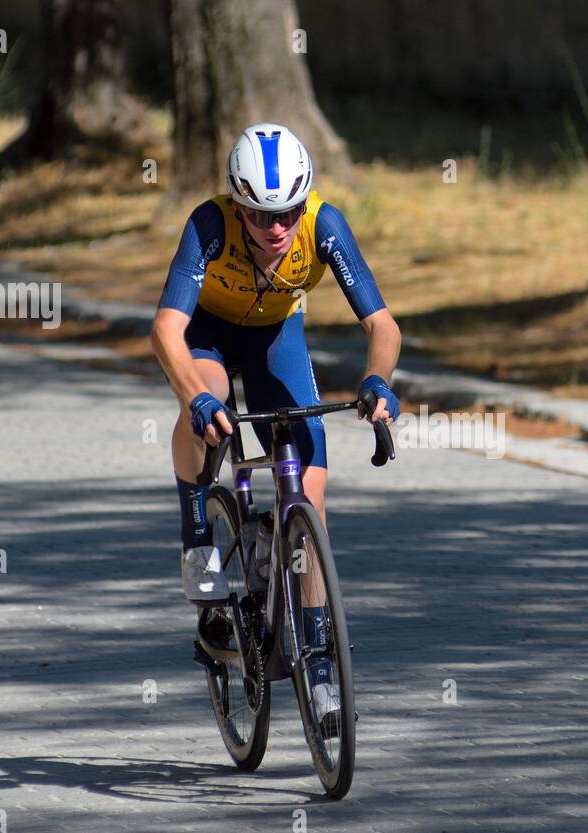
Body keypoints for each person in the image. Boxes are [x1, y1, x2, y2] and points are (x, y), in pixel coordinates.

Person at [151, 123, 401, 719]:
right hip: (209, 334)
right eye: (261, 217)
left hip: (275, 338)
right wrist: (197, 399)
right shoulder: (208, 225)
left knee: (310, 499)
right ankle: (197, 541)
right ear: (238, 206)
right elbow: (166, 331)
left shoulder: (323, 224)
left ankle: (317, 662)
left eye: (287, 211)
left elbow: (383, 326)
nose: (278, 227)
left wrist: (378, 381)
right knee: (207, 406)